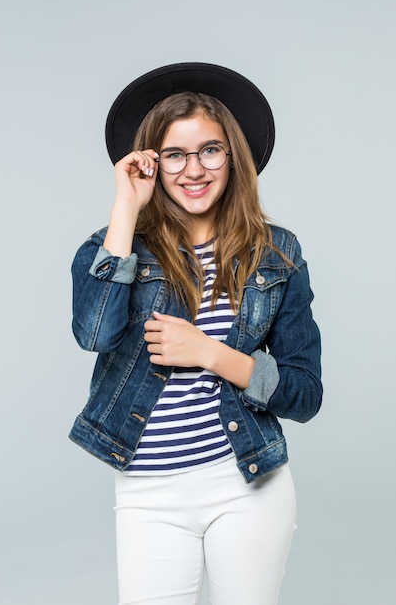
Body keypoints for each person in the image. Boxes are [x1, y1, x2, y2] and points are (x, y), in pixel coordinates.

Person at [69, 63, 322, 605]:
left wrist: (210, 353)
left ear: (232, 157)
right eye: (175, 155)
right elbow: (94, 333)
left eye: (210, 150)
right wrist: (125, 208)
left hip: (249, 484)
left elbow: (305, 395)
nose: (194, 170)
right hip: (148, 492)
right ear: (152, 165)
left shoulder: (276, 254)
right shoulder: (111, 247)